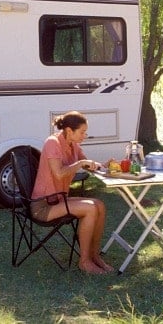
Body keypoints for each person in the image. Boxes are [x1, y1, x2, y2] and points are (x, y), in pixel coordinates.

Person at [31, 111, 113, 274]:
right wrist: (81, 163)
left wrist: (105, 165)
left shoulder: (73, 145)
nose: (85, 135)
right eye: (82, 132)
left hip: (59, 200)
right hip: (43, 205)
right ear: (69, 131)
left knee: (99, 205)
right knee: (90, 208)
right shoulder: (52, 142)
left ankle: (94, 255)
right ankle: (84, 261)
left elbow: (88, 165)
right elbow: (59, 173)